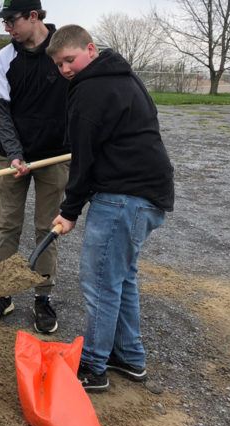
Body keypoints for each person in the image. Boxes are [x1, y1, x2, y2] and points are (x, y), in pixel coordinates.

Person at [46, 25, 174, 392]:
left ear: (90, 49)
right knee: (121, 278)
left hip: (124, 197)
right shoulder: (123, 76)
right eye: (58, 64)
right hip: (149, 195)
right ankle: (130, 358)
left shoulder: (91, 90)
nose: (65, 69)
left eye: (69, 59)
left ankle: (93, 367)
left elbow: (83, 159)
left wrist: (69, 211)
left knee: (100, 282)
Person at [0, 0, 69, 331]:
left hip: (56, 156)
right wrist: (15, 154)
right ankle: (3, 295)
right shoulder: (6, 57)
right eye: (4, 22)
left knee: (48, 228)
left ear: (33, 16)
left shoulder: (63, 51)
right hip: (13, 156)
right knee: (8, 226)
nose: (7, 28)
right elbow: (2, 109)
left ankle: (42, 298)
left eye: (11, 20)